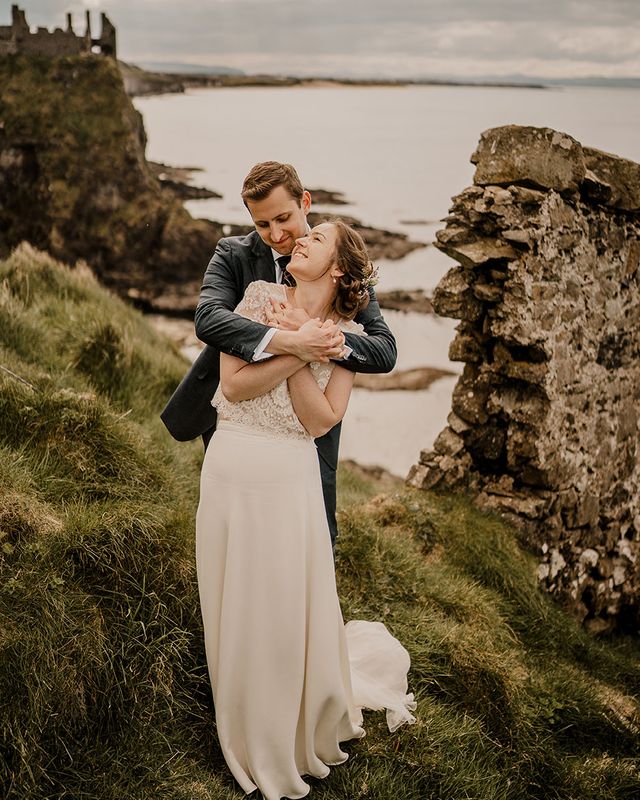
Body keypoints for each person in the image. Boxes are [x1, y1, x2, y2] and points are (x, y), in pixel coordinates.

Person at [196, 218, 416, 800]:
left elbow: (321, 421)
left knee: (280, 603)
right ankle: (237, 709)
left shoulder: (349, 336)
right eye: (305, 233)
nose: (300, 239)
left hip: (290, 478)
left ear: (338, 268)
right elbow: (235, 386)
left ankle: (280, 726)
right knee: (233, 599)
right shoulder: (258, 297)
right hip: (229, 465)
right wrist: (298, 344)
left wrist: (313, 341)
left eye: (317, 238)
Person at [160, 162, 397, 545]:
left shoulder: (345, 267)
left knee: (314, 535)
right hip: (237, 421)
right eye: (262, 225)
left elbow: (384, 350)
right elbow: (209, 321)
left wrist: (321, 335)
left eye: (283, 218)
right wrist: (291, 341)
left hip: (305, 431)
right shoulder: (233, 255)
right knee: (237, 531)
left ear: (305, 202)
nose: (276, 234)